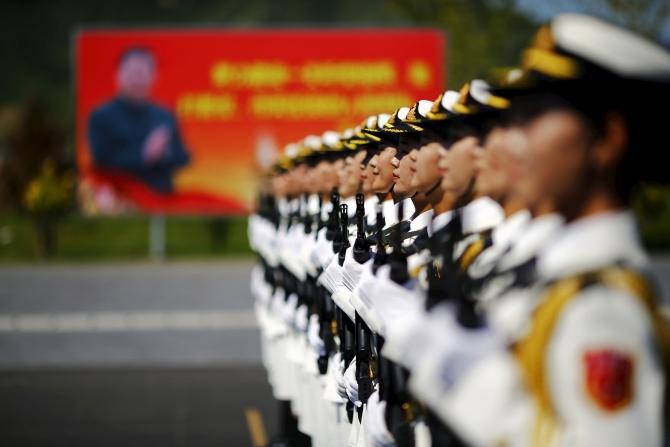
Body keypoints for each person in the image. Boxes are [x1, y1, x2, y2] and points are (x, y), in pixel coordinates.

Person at [88, 47, 190, 194]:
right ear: (119, 75)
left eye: (142, 73)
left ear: (153, 77)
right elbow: (102, 161)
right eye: (132, 73)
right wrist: (145, 155)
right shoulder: (101, 116)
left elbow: (183, 157)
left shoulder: (164, 115)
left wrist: (166, 153)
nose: (137, 79)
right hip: (121, 198)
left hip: (161, 197)